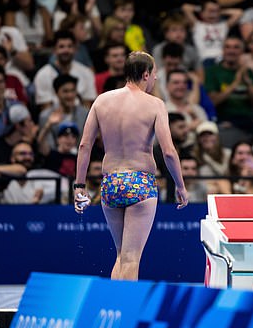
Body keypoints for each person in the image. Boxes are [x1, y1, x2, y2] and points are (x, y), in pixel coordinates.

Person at [74, 51, 189, 281]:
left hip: (111, 182)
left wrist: (79, 185)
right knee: (131, 258)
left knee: (121, 256)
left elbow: (85, 145)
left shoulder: (101, 101)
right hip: (140, 183)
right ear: (145, 74)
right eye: (154, 74)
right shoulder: (155, 104)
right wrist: (180, 186)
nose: (155, 79)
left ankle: (112, 308)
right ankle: (125, 311)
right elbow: (168, 151)